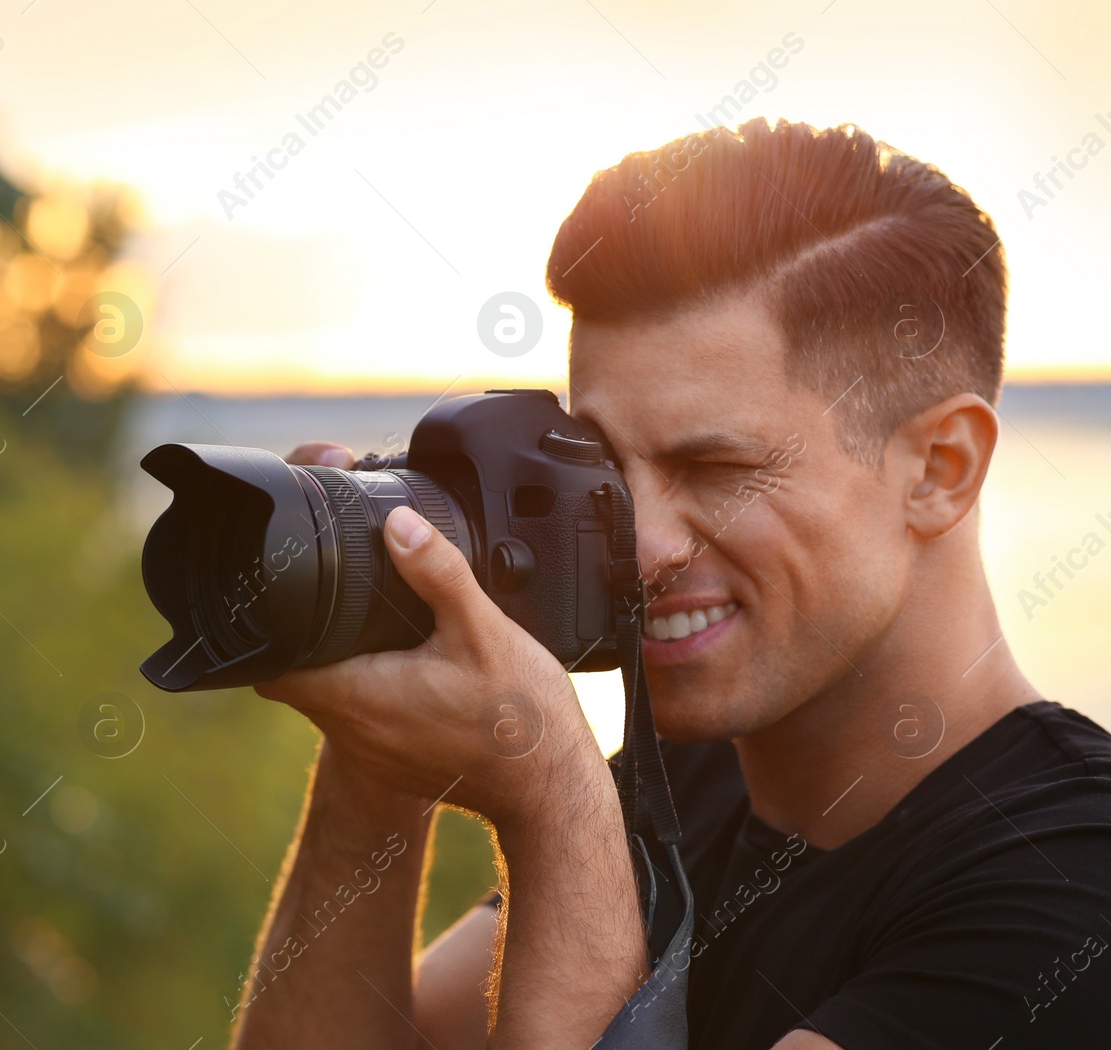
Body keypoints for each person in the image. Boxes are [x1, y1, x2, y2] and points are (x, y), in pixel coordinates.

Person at [229, 118, 1111, 1049]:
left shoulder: (1072, 887)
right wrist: (373, 701)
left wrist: (552, 799)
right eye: (604, 466)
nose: (639, 547)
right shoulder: (690, 782)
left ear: (940, 468)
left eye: (718, 469)